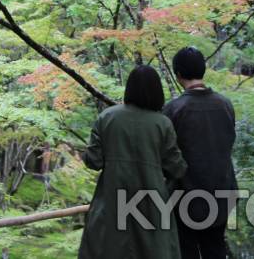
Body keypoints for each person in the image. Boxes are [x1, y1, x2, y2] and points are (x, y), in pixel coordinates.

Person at [78, 65, 187, 259]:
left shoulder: (107, 117)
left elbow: (93, 161)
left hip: (111, 202)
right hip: (151, 205)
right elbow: (177, 168)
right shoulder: (162, 124)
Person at [164, 47, 237, 259]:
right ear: (203, 70)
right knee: (215, 248)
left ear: (178, 74)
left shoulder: (173, 109)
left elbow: (167, 155)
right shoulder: (225, 104)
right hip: (222, 191)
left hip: (185, 195)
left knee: (187, 251)